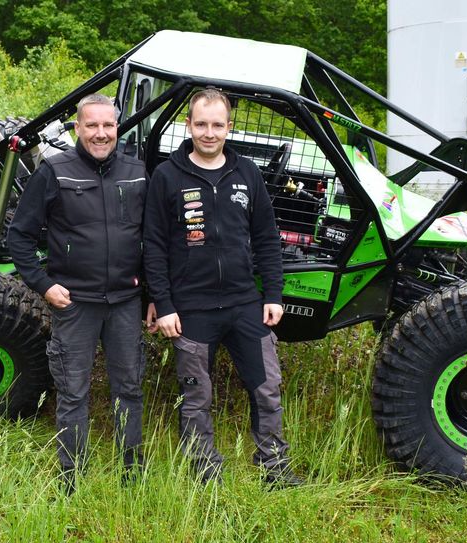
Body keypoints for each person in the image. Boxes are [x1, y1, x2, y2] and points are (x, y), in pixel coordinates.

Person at [143, 89, 303, 487]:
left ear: (229, 127)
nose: (209, 133)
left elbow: (267, 238)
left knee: (267, 388)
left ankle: (274, 467)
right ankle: (204, 470)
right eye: (201, 124)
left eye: (217, 125)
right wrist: (162, 304)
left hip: (244, 304)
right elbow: (154, 247)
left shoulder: (247, 172)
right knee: (197, 396)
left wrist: (273, 295)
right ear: (189, 125)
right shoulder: (166, 177)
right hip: (191, 309)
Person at [8, 93, 147, 493]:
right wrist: (44, 285)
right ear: (77, 128)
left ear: (117, 128)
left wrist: (153, 297)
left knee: (129, 390)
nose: (100, 134)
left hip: (124, 303)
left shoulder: (137, 172)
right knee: (72, 393)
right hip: (75, 305)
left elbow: (152, 240)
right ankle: (72, 478)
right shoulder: (55, 171)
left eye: (108, 125)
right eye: (92, 125)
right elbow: (19, 237)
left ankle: (131, 473)